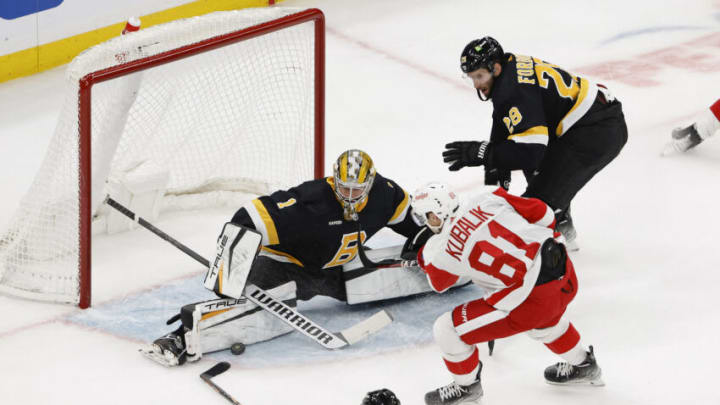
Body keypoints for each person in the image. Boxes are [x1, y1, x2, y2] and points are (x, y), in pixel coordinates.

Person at [141, 149, 433, 366]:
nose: (350, 196)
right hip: (285, 267)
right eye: (344, 187)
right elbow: (246, 219)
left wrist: (425, 241)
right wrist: (228, 279)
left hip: (337, 266)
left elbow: (407, 218)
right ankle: (178, 340)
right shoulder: (310, 201)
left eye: (358, 189)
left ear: (370, 183)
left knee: (386, 275)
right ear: (333, 179)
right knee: (246, 312)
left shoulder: (385, 193)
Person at [410, 183, 603, 405]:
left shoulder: (438, 248)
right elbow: (545, 215)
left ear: (434, 215)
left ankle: (466, 388)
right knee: (546, 321)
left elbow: (439, 283)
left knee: (447, 329)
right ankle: (584, 365)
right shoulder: (488, 196)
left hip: (530, 301)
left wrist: (424, 258)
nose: (425, 223)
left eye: (424, 217)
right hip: (564, 272)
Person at [442, 36, 627, 248]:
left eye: (479, 76)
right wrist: (495, 165)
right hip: (592, 120)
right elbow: (504, 119)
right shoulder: (509, 66)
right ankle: (559, 219)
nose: (476, 84)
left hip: (596, 132)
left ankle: (551, 235)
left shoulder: (513, 90)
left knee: (531, 210)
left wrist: (483, 153)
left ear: (496, 68)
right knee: (529, 159)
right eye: (471, 77)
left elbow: (531, 153)